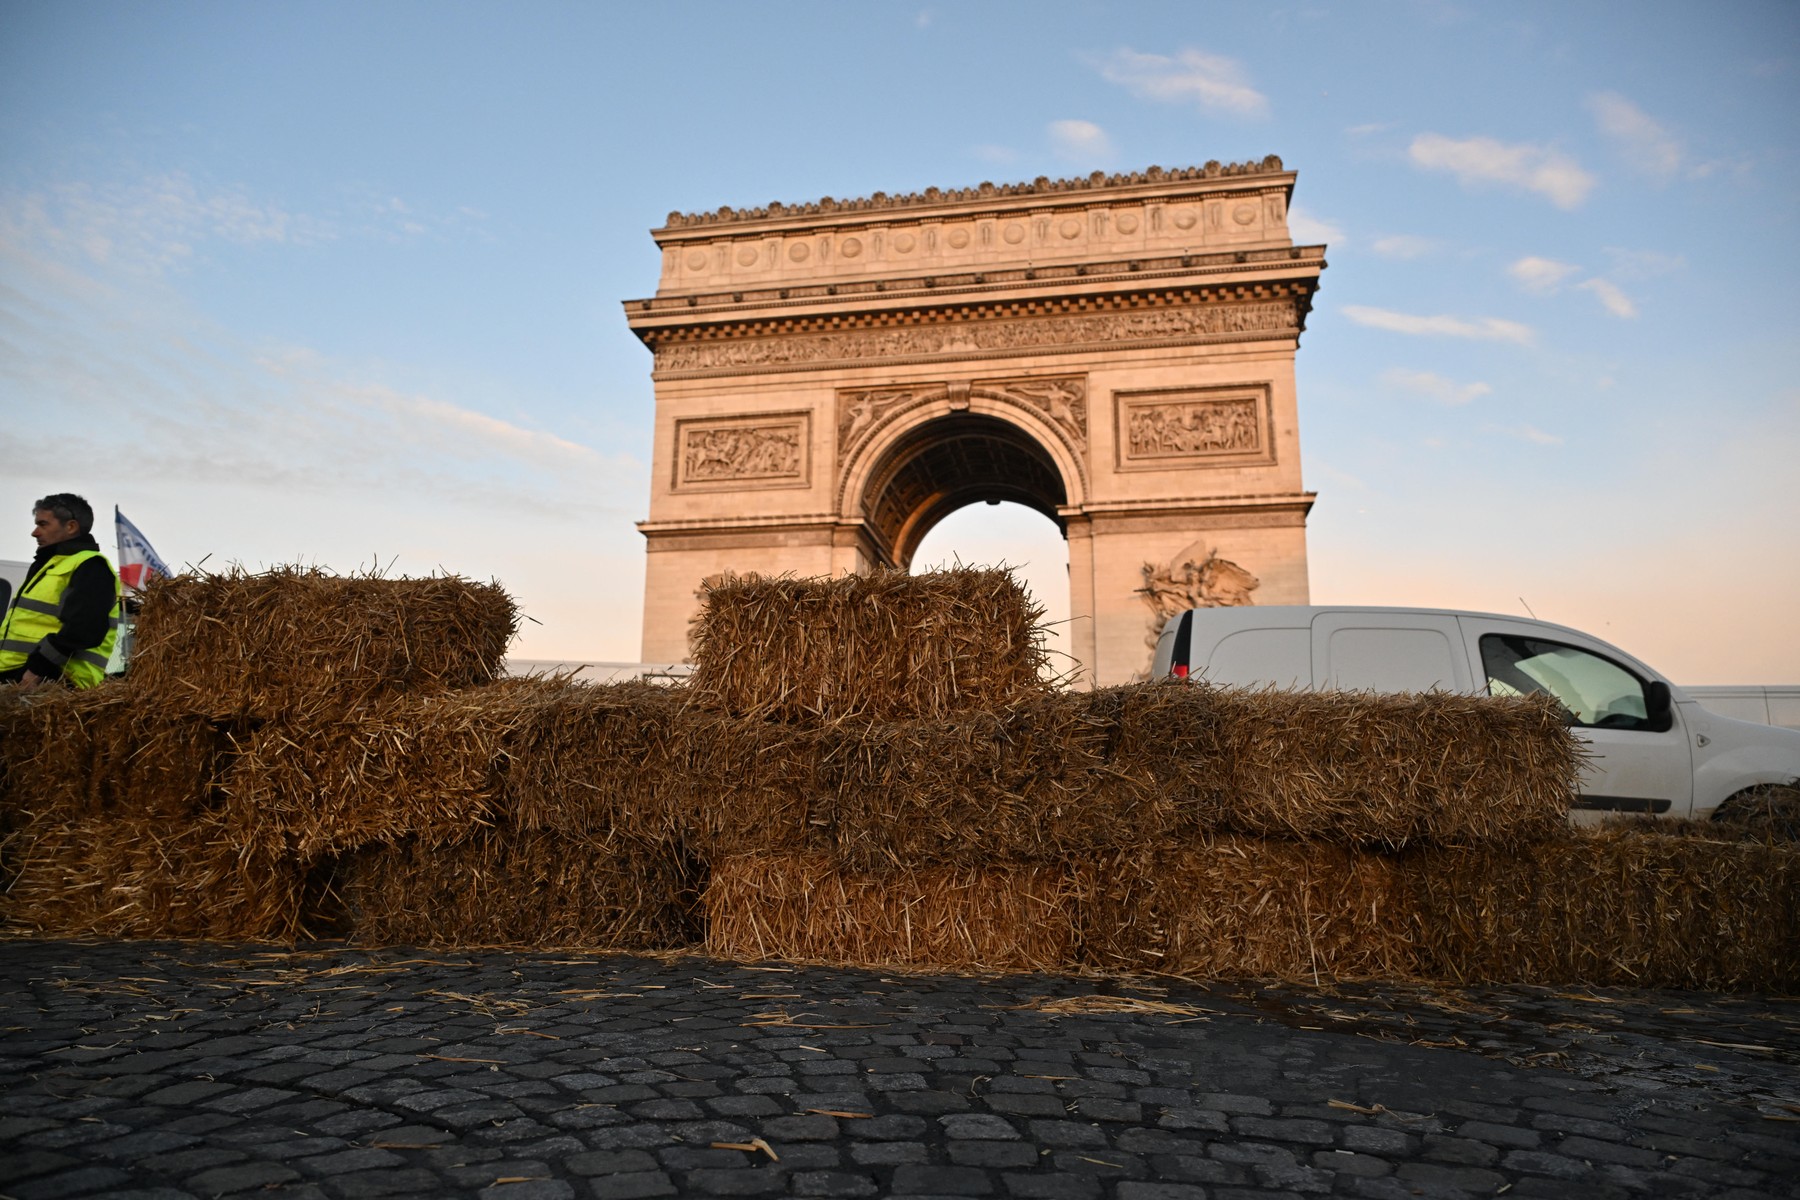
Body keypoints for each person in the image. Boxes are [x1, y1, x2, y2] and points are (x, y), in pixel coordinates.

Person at [0, 494, 123, 689]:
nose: (34, 532)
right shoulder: (47, 565)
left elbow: (84, 629)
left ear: (71, 527)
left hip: (53, 684)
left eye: (43, 524)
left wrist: (36, 670)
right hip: (24, 680)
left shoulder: (91, 566)